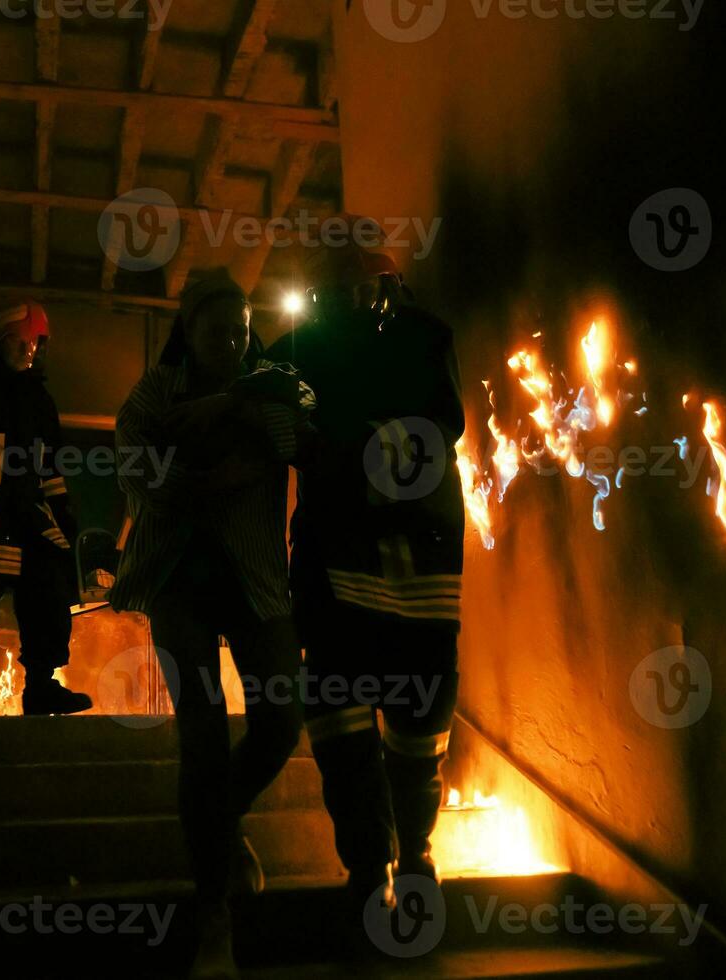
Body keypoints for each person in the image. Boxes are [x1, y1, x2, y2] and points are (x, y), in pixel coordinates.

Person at [265, 229, 465, 941]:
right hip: (332, 560)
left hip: (423, 561)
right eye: (338, 289)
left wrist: (352, 449)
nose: (352, 300)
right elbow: (289, 434)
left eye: (364, 286)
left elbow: (443, 428)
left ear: (387, 285)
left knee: (419, 722)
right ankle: (367, 869)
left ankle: (414, 855)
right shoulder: (295, 351)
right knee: (340, 720)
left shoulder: (424, 338)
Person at [111, 270, 311, 979]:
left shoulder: (270, 379)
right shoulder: (154, 394)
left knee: (282, 719)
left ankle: (219, 829)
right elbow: (135, 465)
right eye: (217, 328)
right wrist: (210, 477)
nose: (233, 339)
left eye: (242, 327)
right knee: (201, 726)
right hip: (177, 583)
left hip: (257, 580)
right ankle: (212, 912)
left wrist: (235, 408)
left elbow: (299, 425)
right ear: (187, 331)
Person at [0, 299, 93, 717]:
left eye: (32, 344)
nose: (28, 352)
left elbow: (49, 466)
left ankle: (42, 687)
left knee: (50, 586)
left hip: (27, 516)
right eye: (20, 343)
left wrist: (63, 518)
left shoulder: (38, 399)